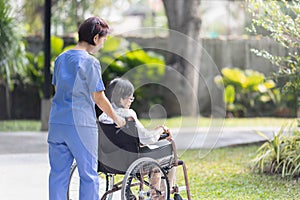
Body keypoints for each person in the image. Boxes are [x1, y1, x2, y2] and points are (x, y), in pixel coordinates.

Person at [47, 17, 125, 200]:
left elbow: (57, 90)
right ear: (96, 38)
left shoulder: (60, 59)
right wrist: (117, 118)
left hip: (57, 123)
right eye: (104, 40)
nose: (103, 45)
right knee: (89, 175)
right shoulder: (90, 62)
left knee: (58, 176)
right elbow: (98, 97)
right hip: (81, 125)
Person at [99, 77, 176, 198]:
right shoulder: (128, 115)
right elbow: (146, 139)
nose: (131, 101)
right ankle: (161, 195)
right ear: (121, 99)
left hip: (108, 162)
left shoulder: (102, 117)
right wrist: (161, 129)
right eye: (130, 98)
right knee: (170, 157)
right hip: (131, 162)